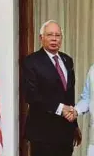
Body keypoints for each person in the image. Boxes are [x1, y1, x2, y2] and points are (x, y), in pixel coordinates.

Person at [23, 20, 81, 156]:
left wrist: (74, 125)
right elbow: (31, 95)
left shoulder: (67, 60)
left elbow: (69, 95)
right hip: (43, 133)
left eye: (58, 35)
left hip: (65, 133)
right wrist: (60, 108)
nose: (54, 38)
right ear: (41, 38)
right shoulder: (31, 61)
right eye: (50, 35)